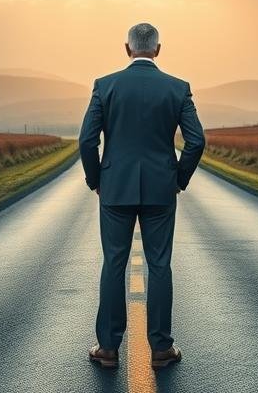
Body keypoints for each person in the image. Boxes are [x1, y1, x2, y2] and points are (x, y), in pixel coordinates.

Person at [79, 22, 205, 370]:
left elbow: (87, 141)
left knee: (114, 264)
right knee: (160, 265)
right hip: (160, 189)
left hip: (115, 189)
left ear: (127, 48)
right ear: (159, 50)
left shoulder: (105, 86)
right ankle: (162, 349)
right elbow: (196, 141)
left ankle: (108, 349)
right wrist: (178, 178)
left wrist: (96, 181)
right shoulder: (178, 88)